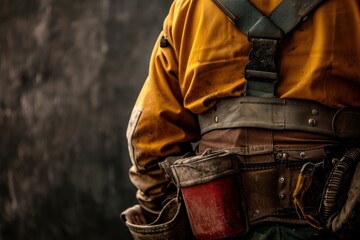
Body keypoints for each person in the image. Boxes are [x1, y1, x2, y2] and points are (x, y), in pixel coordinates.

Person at [122, 0, 360, 239]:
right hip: (332, 219)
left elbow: (149, 139)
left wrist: (163, 209)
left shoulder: (189, 7)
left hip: (220, 224)